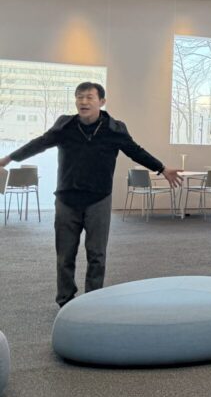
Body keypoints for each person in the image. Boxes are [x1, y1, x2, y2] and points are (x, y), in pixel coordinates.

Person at [0, 82, 181, 306]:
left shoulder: (114, 129)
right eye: (79, 97)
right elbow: (40, 143)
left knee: (97, 255)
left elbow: (136, 151)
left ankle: (92, 301)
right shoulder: (65, 126)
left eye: (89, 97)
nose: (83, 102)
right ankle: (65, 301)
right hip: (67, 199)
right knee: (64, 255)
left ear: (101, 101)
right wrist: (8, 158)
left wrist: (162, 168)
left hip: (98, 200)